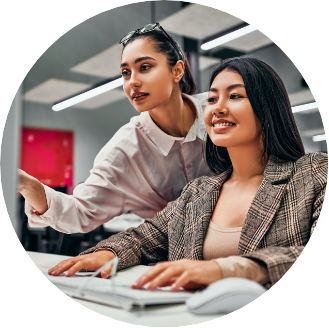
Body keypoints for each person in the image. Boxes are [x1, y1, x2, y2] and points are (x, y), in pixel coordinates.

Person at [48, 57, 327, 290]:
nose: (217, 107)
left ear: (267, 108)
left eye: (235, 95)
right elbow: (142, 238)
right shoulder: (198, 192)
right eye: (213, 98)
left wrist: (229, 269)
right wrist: (108, 253)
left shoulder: (313, 174)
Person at [18, 23, 212, 234]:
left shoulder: (220, 111)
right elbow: (80, 211)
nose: (133, 82)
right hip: (176, 259)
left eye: (144, 67)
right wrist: (27, 184)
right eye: (126, 73)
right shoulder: (126, 148)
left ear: (177, 71)